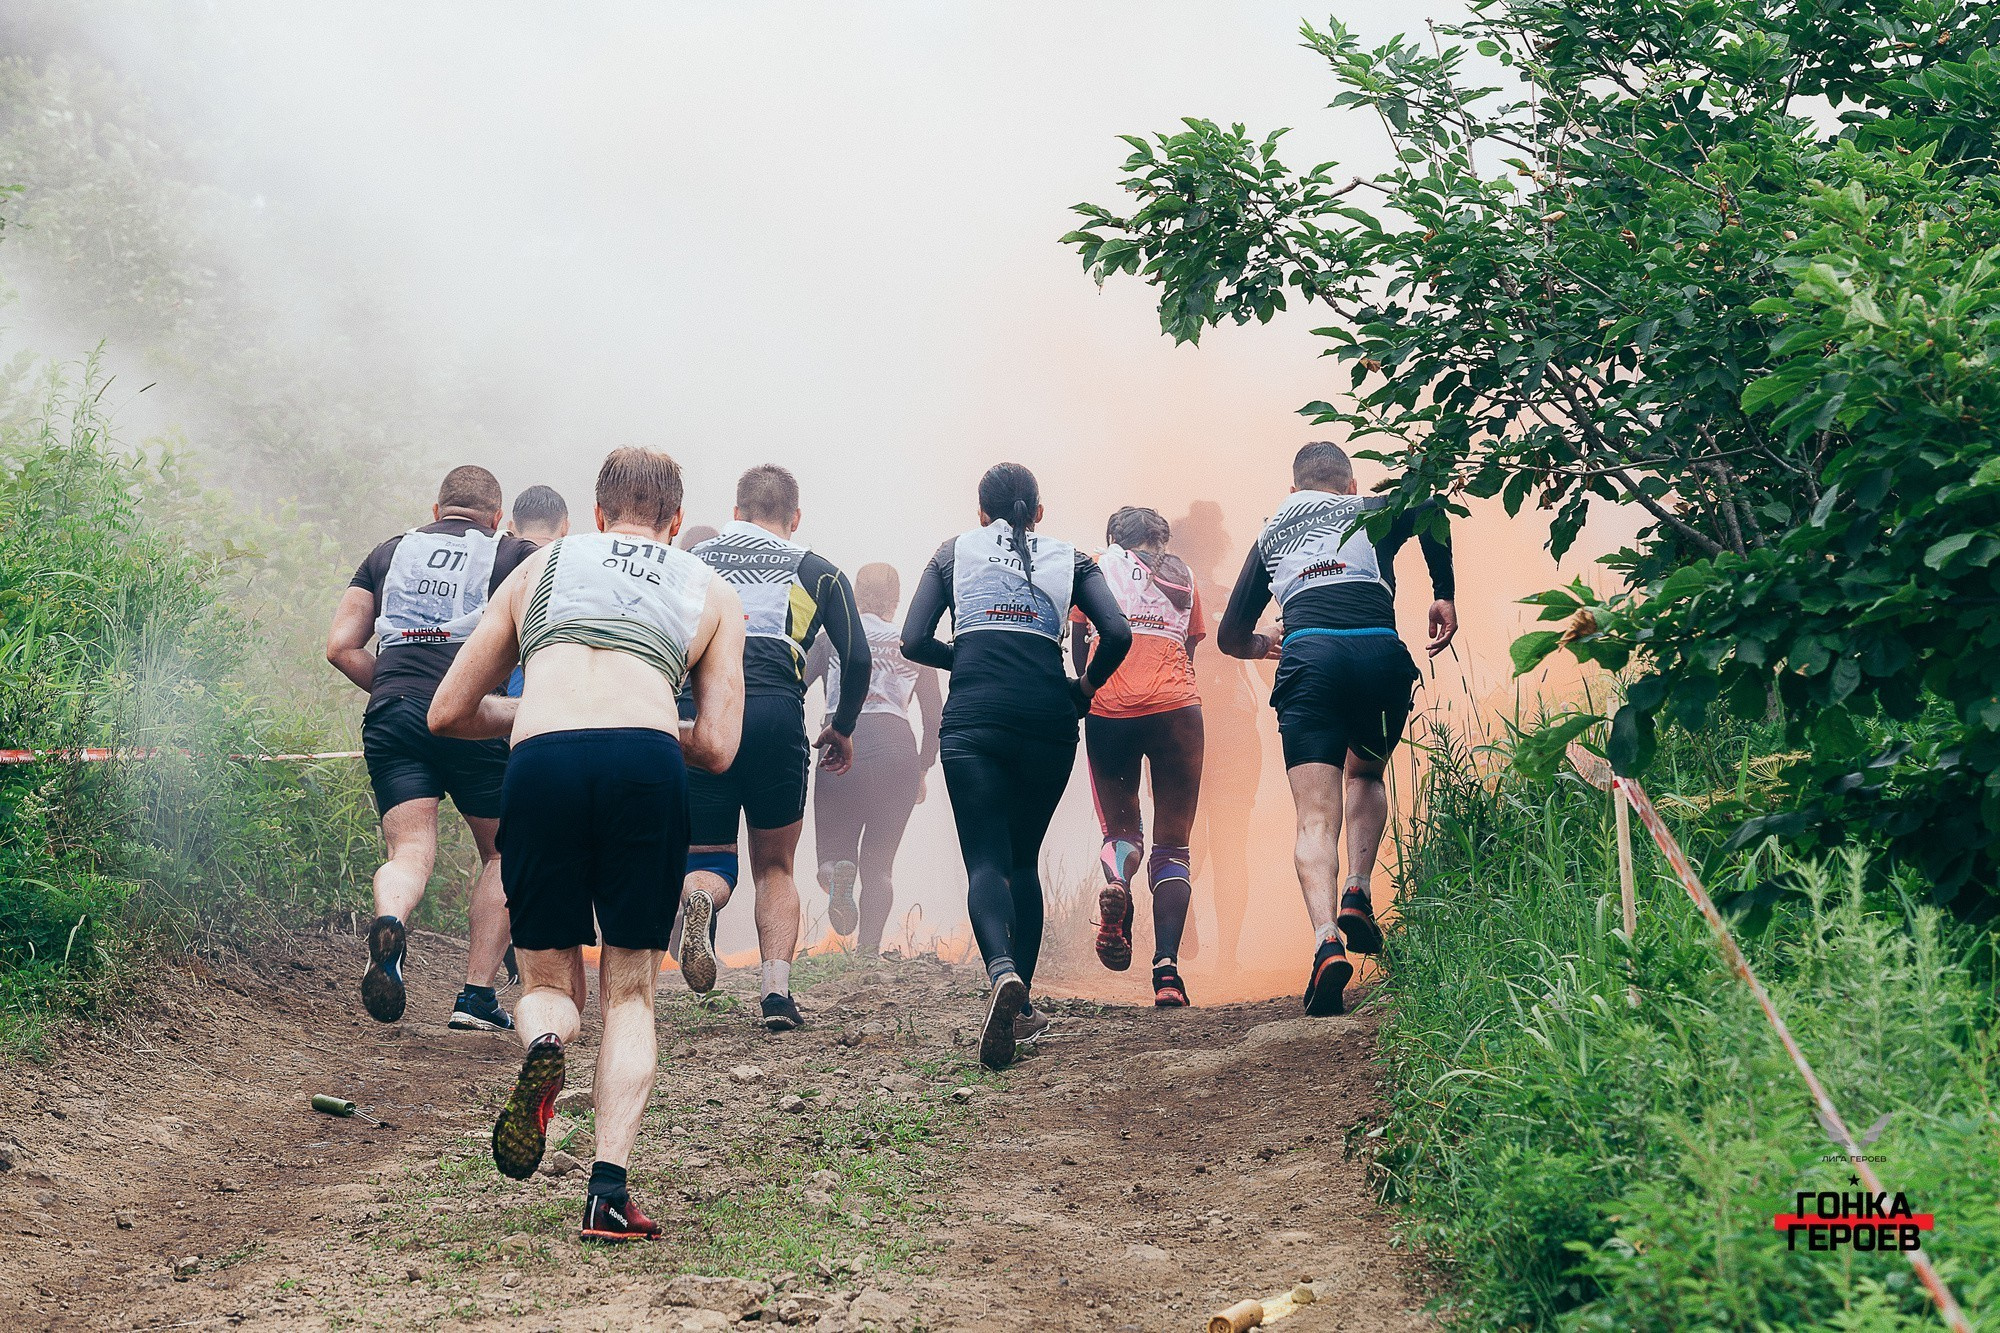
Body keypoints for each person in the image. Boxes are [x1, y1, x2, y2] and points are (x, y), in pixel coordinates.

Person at [428, 445, 745, 1243]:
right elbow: (716, 745)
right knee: (631, 989)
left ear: (597, 514)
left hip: (542, 759)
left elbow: (448, 711)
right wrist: (646, 722)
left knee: (544, 972)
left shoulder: (541, 567)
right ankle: (607, 1192)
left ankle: (542, 1039)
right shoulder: (707, 586)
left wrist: (529, 714)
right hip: (644, 762)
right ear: (675, 524)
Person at [902, 463, 1131, 1070]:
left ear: (981, 513)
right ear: (1039, 514)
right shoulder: (1074, 559)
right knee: (1023, 860)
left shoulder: (952, 554)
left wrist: (967, 656)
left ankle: (1001, 971)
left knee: (986, 859)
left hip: (975, 717)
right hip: (1047, 720)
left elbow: (912, 640)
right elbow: (1118, 632)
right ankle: (1023, 1006)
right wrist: (1082, 690)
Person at [1217, 442, 1456, 1017]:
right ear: (1350, 485)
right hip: (1379, 655)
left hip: (1310, 661)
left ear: (1294, 490)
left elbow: (1229, 636)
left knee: (1314, 817)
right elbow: (1430, 501)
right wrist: (1443, 593)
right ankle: (1358, 888)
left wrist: (1262, 644)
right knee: (1365, 773)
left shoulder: (1273, 530)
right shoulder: (1374, 508)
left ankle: (1326, 940)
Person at [326, 465, 536, 1033]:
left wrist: (400, 692)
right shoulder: (514, 553)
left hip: (392, 714)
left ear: (437, 508)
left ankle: (390, 922)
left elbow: (340, 646)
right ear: (497, 517)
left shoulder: (389, 551)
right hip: (471, 715)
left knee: (410, 851)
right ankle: (474, 997)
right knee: (502, 853)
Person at [678, 466, 870, 1032]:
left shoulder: (695, 559)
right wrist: (842, 726)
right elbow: (854, 658)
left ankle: (704, 900)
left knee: (708, 856)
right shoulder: (818, 569)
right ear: (795, 518)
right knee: (775, 866)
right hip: (776, 713)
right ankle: (776, 995)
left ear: (735, 512)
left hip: (706, 711)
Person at [1070, 507, 1205, 1007]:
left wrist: (1085, 692)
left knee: (1121, 832)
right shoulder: (1184, 574)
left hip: (1110, 710)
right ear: (1161, 540)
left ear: (1112, 538)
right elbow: (1189, 651)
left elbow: (1081, 649)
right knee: (1175, 847)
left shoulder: (1096, 568)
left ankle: (1117, 884)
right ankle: (1167, 972)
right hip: (1178, 710)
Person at [805, 562, 942, 954]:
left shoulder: (833, 637)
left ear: (855, 595)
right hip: (897, 752)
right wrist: (921, 768)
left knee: (831, 856)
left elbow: (796, 683)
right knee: (879, 865)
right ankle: (868, 952)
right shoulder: (911, 644)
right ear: (896, 600)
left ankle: (835, 877)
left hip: (840, 743)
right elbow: (934, 716)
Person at [1170, 502, 1262, 972]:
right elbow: (1264, 663)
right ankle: (1228, 957)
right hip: (1236, 728)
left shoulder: (1168, 599)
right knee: (1232, 844)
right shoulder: (1231, 597)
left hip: (1182, 724)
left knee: (1183, 838)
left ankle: (1177, 917)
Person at [504, 485, 571, 699]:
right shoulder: (574, 566)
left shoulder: (496, 564)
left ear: (511, 526)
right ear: (565, 526)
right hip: (558, 686)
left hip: (502, 685)